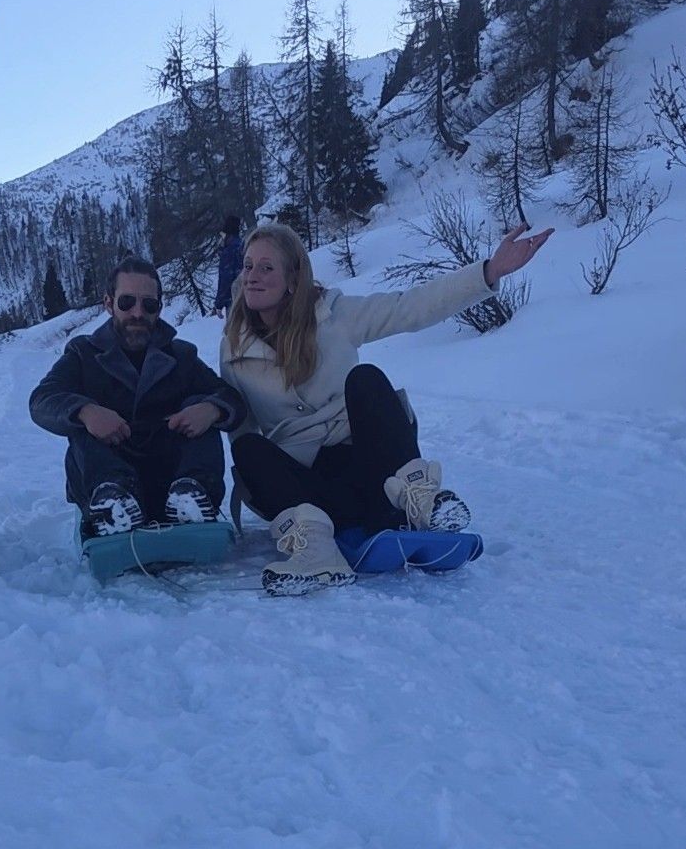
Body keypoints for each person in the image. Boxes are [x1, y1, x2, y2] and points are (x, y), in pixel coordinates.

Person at [220, 221, 552, 595]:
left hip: (373, 474)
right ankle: (315, 551)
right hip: (311, 493)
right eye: (248, 266)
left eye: (266, 267)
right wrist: (268, 496)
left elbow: (408, 308)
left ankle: (419, 502)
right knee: (246, 448)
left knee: (366, 380)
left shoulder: (332, 315)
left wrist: (490, 271)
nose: (252, 276)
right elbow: (242, 428)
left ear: (293, 278)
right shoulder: (234, 346)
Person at [30, 255, 246, 538]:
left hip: (171, 485)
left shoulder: (182, 356)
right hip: (106, 478)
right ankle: (113, 501)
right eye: (126, 302)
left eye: (149, 304)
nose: (137, 313)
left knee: (201, 406)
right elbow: (42, 400)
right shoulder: (83, 354)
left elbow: (231, 398)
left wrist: (212, 410)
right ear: (109, 304)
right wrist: (85, 411)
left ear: (159, 308)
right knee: (83, 425)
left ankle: (194, 496)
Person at [214, 214, 244, 317]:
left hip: (234, 301)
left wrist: (219, 304)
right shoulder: (244, 246)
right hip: (249, 297)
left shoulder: (229, 252)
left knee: (235, 331)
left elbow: (225, 279)